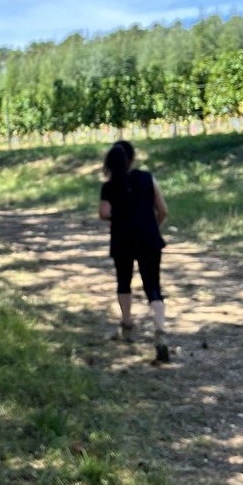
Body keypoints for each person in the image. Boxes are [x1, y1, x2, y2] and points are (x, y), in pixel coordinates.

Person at [98, 140, 170, 363]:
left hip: (122, 240)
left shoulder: (109, 186)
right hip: (149, 238)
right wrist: (151, 226)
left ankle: (127, 325)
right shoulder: (148, 178)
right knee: (153, 285)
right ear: (132, 158)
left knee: (123, 282)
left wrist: (120, 216)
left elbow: (103, 212)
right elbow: (163, 210)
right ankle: (159, 330)